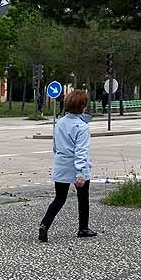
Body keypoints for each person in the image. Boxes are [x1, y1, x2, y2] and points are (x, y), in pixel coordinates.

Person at [38, 89, 97, 242]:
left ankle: (45, 224)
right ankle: (83, 228)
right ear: (83, 106)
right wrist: (81, 173)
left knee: (59, 198)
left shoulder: (60, 123)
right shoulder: (82, 127)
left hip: (61, 164)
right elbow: (81, 151)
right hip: (76, 166)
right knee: (83, 198)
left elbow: (55, 146)